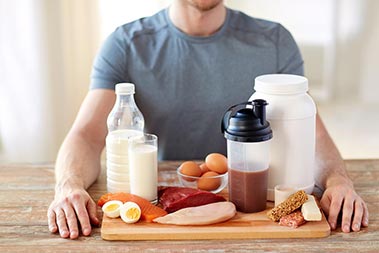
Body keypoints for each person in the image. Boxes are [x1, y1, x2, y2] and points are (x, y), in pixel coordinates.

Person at [47, 0, 369, 239]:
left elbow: (313, 137)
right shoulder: (126, 46)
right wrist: (68, 186)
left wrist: (339, 181)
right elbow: (86, 137)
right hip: (166, 210)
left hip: (257, 211)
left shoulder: (275, 42)